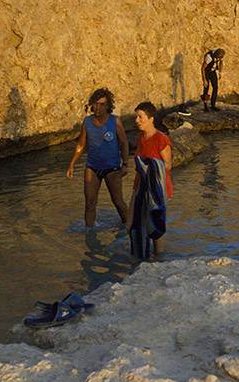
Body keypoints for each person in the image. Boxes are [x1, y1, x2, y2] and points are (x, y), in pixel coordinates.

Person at [66, 88, 130, 228]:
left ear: (108, 106)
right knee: (90, 203)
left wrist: (125, 164)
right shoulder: (87, 122)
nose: (98, 107)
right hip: (92, 167)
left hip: (112, 168)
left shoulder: (115, 121)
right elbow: (81, 145)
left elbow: (124, 143)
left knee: (117, 201)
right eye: (95, 103)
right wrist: (71, 165)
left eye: (102, 104)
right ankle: (89, 233)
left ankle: (130, 226)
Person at [128, 101, 172, 258]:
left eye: (140, 117)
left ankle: (159, 258)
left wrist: (151, 167)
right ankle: (143, 257)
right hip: (141, 185)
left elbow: (167, 165)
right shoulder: (140, 138)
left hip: (158, 188)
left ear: (151, 119)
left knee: (155, 226)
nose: (137, 120)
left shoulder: (162, 139)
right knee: (135, 223)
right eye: (136, 117)